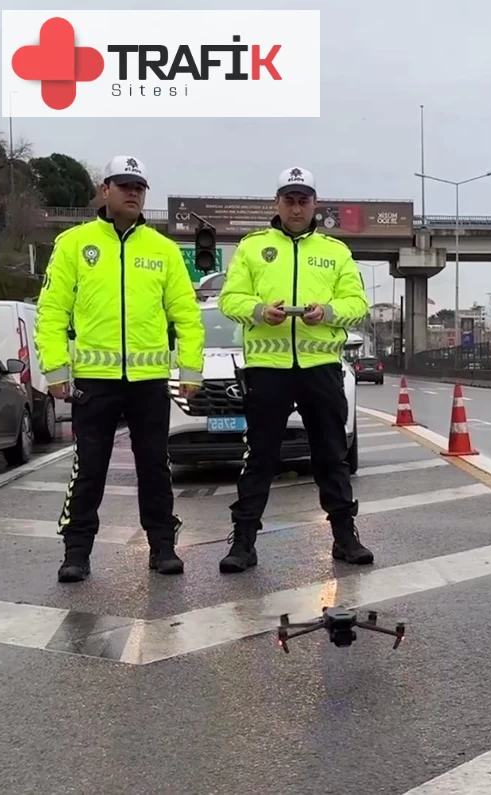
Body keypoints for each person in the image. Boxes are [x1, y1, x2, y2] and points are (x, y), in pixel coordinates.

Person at [34, 155, 205, 583]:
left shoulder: (163, 250)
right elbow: (52, 310)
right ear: (104, 190)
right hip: (94, 381)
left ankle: (163, 546)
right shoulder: (74, 244)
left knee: (154, 465)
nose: (133, 193)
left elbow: (186, 314)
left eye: (139, 187)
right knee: (89, 466)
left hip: (148, 381)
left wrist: (191, 371)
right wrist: (56, 369)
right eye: (124, 185)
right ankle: (76, 551)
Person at [216, 166, 371, 573]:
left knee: (331, 457)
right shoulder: (252, 247)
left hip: (320, 366)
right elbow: (229, 299)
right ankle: (244, 542)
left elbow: (358, 306)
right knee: (259, 457)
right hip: (268, 368)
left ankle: (345, 537)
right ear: (277, 203)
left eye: (304, 200)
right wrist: (258, 311)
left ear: (315, 204)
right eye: (290, 199)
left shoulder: (335, 252)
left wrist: (329, 313)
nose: (297, 207)